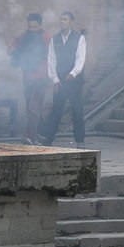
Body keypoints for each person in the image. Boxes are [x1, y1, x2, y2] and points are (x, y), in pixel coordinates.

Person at [38, 11, 87, 147]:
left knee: (77, 109)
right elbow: (51, 59)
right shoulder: (55, 39)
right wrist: (54, 79)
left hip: (74, 81)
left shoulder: (79, 38)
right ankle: (48, 138)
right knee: (56, 110)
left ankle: (80, 140)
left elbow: (80, 58)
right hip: (60, 80)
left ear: (71, 21)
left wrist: (73, 73)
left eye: (65, 19)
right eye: (61, 19)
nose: (62, 22)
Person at [9, 12, 50, 144]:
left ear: (40, 25)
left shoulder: (46, 37)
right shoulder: (23, 37)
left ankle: (33, 134)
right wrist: (15, 54)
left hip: (42, 76)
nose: (32, 30)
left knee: (36, 108)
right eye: (30, 27)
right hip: (28, 77)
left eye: (35, 27)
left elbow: (52, 56)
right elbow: (11, 50)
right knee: (32, 108)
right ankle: (31, 136)